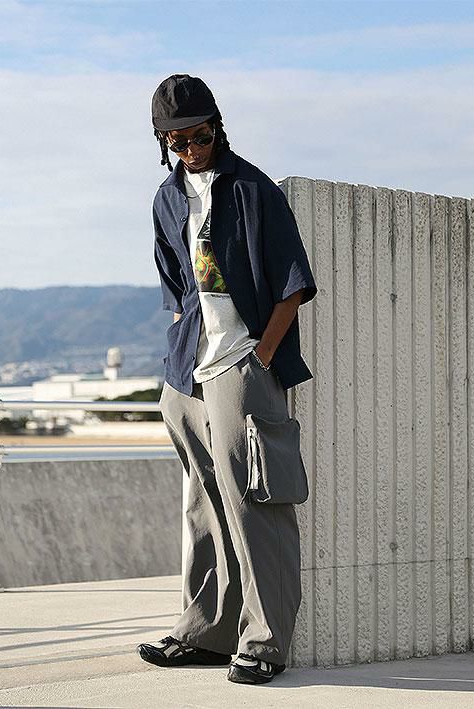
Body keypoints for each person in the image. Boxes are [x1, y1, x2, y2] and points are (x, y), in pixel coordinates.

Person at [137, 73, 317, 685]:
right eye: (178, 140)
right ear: (163, 141)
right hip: (188, 368)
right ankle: (207, 634)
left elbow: (292, 284)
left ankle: (265, 643)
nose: (192, 148)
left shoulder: (253, 189)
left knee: (257, 502)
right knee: (202, 505)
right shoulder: (165, 199)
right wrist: (182, 354)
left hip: (243, 361)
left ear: (218, 127)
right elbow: (177, 287)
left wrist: (261, 356)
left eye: (201, 135)